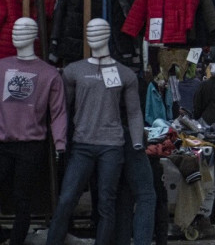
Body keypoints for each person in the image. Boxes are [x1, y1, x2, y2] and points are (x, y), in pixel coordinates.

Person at [47, 18, 145, 245]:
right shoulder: (73, 71)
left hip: (112, 146)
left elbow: (133, 112)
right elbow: (62, 108)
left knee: (106, 204)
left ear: (108, 34)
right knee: (66, 200)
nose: (93, 35)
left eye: (98, 30)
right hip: (82, 144)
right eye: (89, 30)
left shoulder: (124, 74)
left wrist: (137, 141)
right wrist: (59, 139)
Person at [0, 18, 67, 245]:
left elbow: (58, 112)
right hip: (3, 143)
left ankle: (16, 241)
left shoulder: (49, 74)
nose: (16, 34)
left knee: (22, 198)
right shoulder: (1, 67)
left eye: (23, 29)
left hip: (31, 145)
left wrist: (60, 143)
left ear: (34, 35)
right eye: (15, 29)